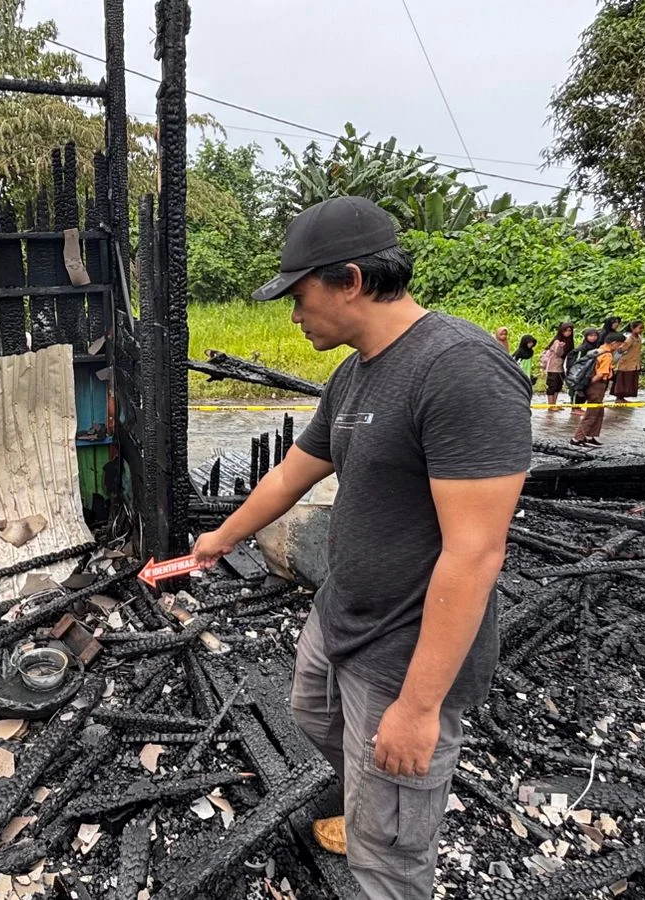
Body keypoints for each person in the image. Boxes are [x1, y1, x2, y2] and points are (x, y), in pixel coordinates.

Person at [193, 197, 531, 899]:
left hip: (405, 650)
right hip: (340, 614)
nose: (292, 315)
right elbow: (293, 470)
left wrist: (418, 707)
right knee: (313, 718)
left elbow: (475, 553)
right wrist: (218, 539)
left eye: (298, 295)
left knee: (390, 854)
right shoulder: (355, 373)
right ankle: (364, 803)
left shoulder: (460, 369)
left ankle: (381, 836)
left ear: (349, 280)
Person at [572, 331, 625, 448]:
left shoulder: (599, 349)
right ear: (614, 343)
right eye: (620, 344)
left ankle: (590, 436)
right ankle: (577, 438)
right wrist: (589, 384)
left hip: (594, 384)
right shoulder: (607, 355)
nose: (620, 347)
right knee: (592, 413)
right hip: (597, 385)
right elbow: (601, 374)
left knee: (599, 410)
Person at [567, 328, 601, 413]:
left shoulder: (597, 347)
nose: (593, 338)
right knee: (577, 390)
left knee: (585, 390)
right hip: (579, 373)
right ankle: (575, 408)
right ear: (586, 337)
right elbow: (576, 362)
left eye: (595, 335)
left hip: (589, 373)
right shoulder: (582, 349)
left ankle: (579, 407)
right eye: (591, 335)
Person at [541, 322, 574, 407]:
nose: (568, 333)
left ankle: (554, 404)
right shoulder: (557, 340)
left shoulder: (569, 341)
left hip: (561, 367)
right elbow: (558, 353)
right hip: (553, 367)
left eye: (570, 331)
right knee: (552, 385)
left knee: (558, 386)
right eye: (565, 331)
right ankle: (550, 405)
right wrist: (560, 346)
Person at [611, 320, 645, 402]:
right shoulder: (629, 339)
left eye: (642, 328)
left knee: (629, 381)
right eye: (640, 328)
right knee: (623, 381)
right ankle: (619, 398)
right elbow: (621, 349)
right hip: (626, 364)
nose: (641, 330)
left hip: (634, 363)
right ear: (633, 328)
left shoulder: (639, 338)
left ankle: (621, 398)